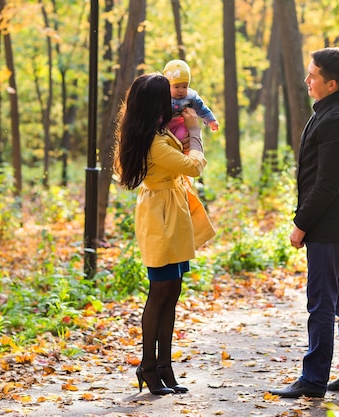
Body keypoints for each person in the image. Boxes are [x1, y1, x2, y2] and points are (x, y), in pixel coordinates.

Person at [269, 47, 339, 399]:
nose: (306, 80)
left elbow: (327, 184)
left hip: (330, 225)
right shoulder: (333, 108)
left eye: (312, 76)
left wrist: (301, 224)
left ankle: (313, 381)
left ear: (331, 83)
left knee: (323, 304)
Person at [114, 73, 214, 395]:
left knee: (172, 292)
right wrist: (196, 132)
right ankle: (148, 365)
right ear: (155, 104)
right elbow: (194, 166)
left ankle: (164, 366)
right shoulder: (154, 143)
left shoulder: (156, 133)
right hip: (161, 220)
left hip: (171, 213)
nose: (174, 101)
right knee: (159, 295)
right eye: (166, 97)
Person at [163, 59, 219, 149]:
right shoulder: (162, 95)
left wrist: (211, 121)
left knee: (181, 139)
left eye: (185, 86)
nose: (181, 90)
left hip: (180, 124)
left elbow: (202, 109)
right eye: (176, 86)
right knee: (165, 140)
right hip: (164, 124)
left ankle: (184, 157)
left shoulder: (191, 97)